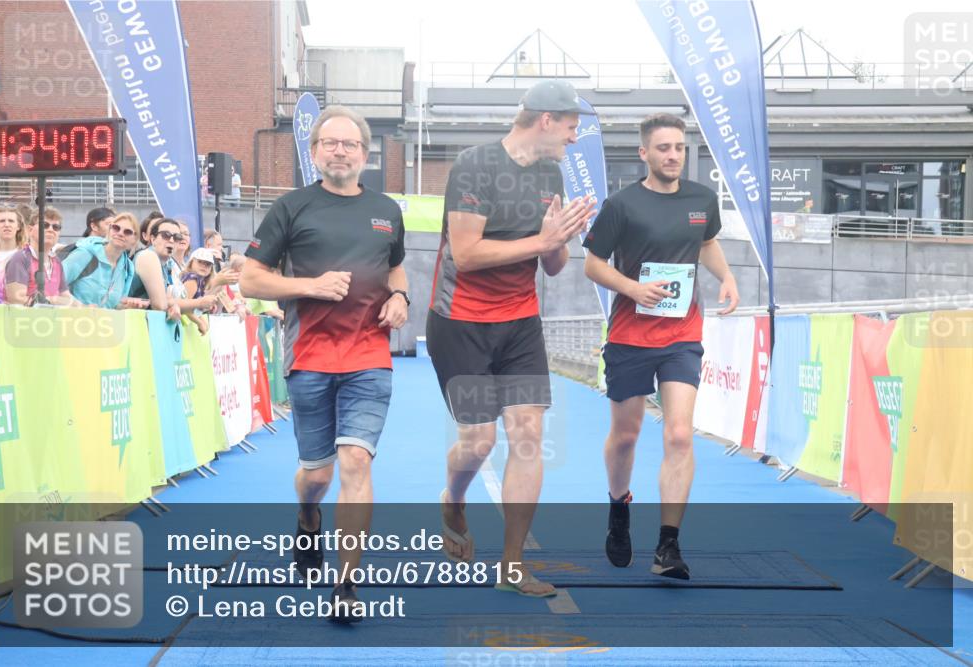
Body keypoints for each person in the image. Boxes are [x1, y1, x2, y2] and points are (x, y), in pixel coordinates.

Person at [240, 105, 408, 623]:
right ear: (314, 152)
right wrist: (309, 286)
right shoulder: (291, 207)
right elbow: (250, 279)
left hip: (369, 354)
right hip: (310, 355)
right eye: (330, 143)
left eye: (349, 144)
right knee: (317, 473)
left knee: (356, 460)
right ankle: (308, 515)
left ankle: (345, 583)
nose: (340, 151)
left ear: (364, 153)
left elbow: (396, 266)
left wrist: (400, 296)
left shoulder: (386, 210)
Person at [428, 79, 595, 598]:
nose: (574, 138)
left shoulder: (551, 174)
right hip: (461, 322)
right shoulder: (475, 165)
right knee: (478, 441)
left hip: (520, 323)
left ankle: (513, 565)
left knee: (528, 435)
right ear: (546, 119)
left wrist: (559, 241)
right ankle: (454, 498)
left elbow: (553, 264)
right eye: (571, 127)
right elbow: (466, 254)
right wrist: (542, 239)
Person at [582, 113, 739, 579]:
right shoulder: (621, 205)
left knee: (679, 434)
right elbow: (593, 264)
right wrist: (632, 288)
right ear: (644, 153)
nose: (673, 156)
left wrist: (727, 276)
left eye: (679, 148)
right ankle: (618, 506)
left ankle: (668, 546)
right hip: (630, 336)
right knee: (626, 435)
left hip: (681, 335)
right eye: (663, 148)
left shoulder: (702, 199)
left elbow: (706, 243)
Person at [62, 212, 142, 309]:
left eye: (127, 232)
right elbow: (53, 286)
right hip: (70, 317)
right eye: (116, 228)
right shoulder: (85, 254)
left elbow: (114, 305)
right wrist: (81, 306)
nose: (120, 233)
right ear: (110, 230)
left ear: (134, 239)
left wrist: (125, 307)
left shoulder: (127, 267)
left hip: (103, 319)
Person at [4, 207, 74, 306]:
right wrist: (52, 300)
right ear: (30, 230)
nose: (51, 229)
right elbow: (16, 299)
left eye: (56, 227)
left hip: (50, 315)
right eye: (44, 225)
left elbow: (67, 298)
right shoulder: (21, 258)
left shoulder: (57, 262)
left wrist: (86, 307)